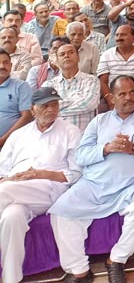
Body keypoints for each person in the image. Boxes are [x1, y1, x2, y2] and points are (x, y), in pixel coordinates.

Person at [49, 75, 134, 283]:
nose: (129, 97)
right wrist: (106, 148)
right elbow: (81, 155)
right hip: (97, 183)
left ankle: (117, 259)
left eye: (132, 91)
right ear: (112, 98)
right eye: (122, 94)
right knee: (61, 211)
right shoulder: (99, 121)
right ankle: (80, 270)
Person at [0, 86, 82, 283]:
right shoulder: (19, 135)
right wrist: (9, 179)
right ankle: (12, 279)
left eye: (55, 105)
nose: (52, 109)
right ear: (32, 108)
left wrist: (41, 174)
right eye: (45, 105)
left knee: (4, 191)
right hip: (15, 190)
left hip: (49, 189)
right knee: (11, 217)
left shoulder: (70, 132)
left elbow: (77, 173)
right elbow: (2, 170)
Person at [97, 25, 134, 110]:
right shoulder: (106, 55)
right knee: (101, 110)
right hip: (112, 95)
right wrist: (111, 101)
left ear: (133, 37)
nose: (119, 38)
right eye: (117, 35)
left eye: (123, 35)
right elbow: (103, 82)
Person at [43, 43, 100, 131]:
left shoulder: (91, 80)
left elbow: (88, 104)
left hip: (83, 137)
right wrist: (75, 100)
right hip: (55, 137)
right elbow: (44, 109)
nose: (66, 56)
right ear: (57, 61)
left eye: (71, 52)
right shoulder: (49, 85)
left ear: (78, 57)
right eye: (62, 54)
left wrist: (56, 111)